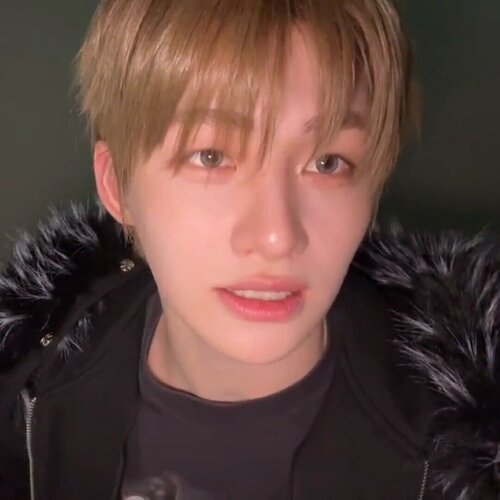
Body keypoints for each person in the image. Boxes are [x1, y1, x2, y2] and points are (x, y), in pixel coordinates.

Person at [0, 0, 498, 498]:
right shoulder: (25, 388)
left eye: (328, 162)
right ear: (117, 186)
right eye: (211, 156)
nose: (277, 236)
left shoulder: (468, 456)